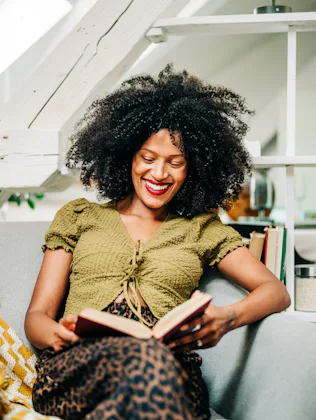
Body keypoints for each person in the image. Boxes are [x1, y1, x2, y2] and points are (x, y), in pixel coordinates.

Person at [25, 65, 290, 420]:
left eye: (175, 163)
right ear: (127, 157)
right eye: (148, 158)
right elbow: (36, 317)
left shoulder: (201, 229)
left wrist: (227, 318)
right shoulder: (80, 217)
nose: (159, 174)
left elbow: (276, 291)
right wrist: (58, 335)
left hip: (168, 369)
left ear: (192, 169)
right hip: (79, 365)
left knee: (152, 364)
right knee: (143, 366)